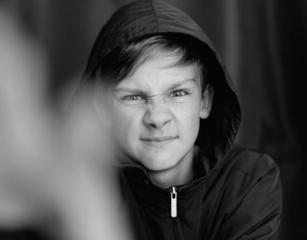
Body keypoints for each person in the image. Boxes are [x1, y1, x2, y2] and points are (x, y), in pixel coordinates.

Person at [82, 0, 282, 239]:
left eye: (177, 93)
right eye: (134, 97)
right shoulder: (83, 191)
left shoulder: (248, 180)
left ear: (204, 102)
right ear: (103, 108)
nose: (157, 117)